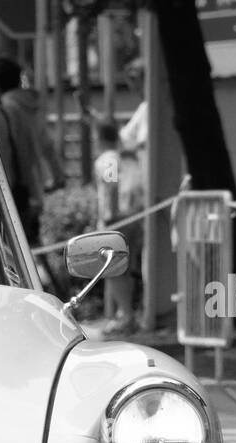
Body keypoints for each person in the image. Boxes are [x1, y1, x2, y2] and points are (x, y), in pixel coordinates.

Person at [0, 57, 63, 245]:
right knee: (34, 248)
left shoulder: (5, 110)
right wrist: (58, 176)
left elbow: (17, 152)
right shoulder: (33, 105)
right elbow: (48, 145)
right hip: (36, 187)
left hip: (16, 191)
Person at [93, 120, 143, 335]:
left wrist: (109, 215)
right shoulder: (124, 158)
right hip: (131, 217)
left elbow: (111, 184)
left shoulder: (109, 159)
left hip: (116, 220)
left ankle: (125, 315)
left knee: (113, 270)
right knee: (125, 269)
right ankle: (123, 314)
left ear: (100, 138)